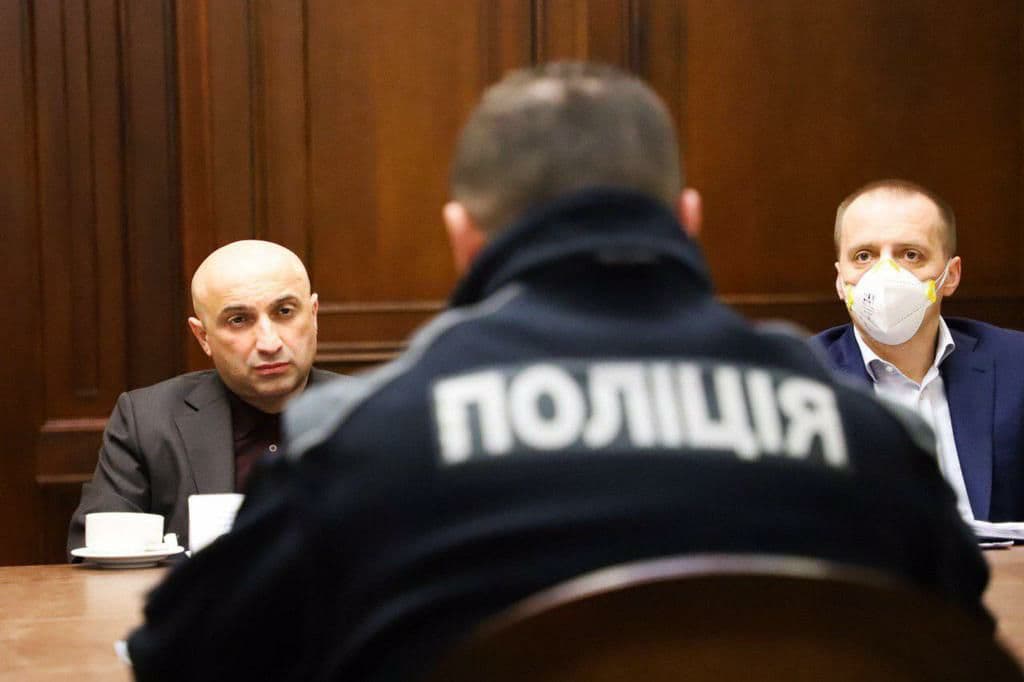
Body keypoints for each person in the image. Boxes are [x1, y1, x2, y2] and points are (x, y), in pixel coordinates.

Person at [126, 63, 988, 681]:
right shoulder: (867, 436)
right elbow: (961, 646)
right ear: (686, 219)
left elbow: (177, 658)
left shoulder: (361, 445)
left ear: (464, 237)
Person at [67, 240, 338, 556]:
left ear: (313, 315)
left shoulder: (373, 412)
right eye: (239, 320)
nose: (269, 342)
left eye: (285, 312)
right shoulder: (148, 420)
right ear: (203, 336)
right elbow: (96, 551)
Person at [814, 180, 1024, 522]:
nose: (885, 274)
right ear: (841, 281)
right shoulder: (801, 379)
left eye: (910, 255)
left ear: (950, 275)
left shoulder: (1016, 364)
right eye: (863, 256)